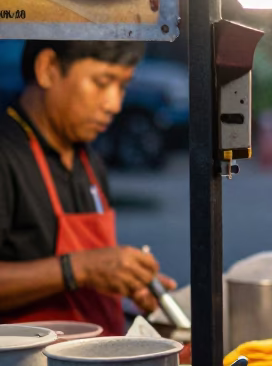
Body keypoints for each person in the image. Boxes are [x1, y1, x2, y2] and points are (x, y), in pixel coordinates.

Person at [0, 40, 175, 335]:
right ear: (48, 69)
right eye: (102, 82)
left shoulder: (89, 161)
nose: (114, 104)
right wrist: (81, 268)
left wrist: (125, 283)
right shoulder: (6, 152)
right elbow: (84, 268)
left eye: (122, 87)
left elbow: (92, 273)